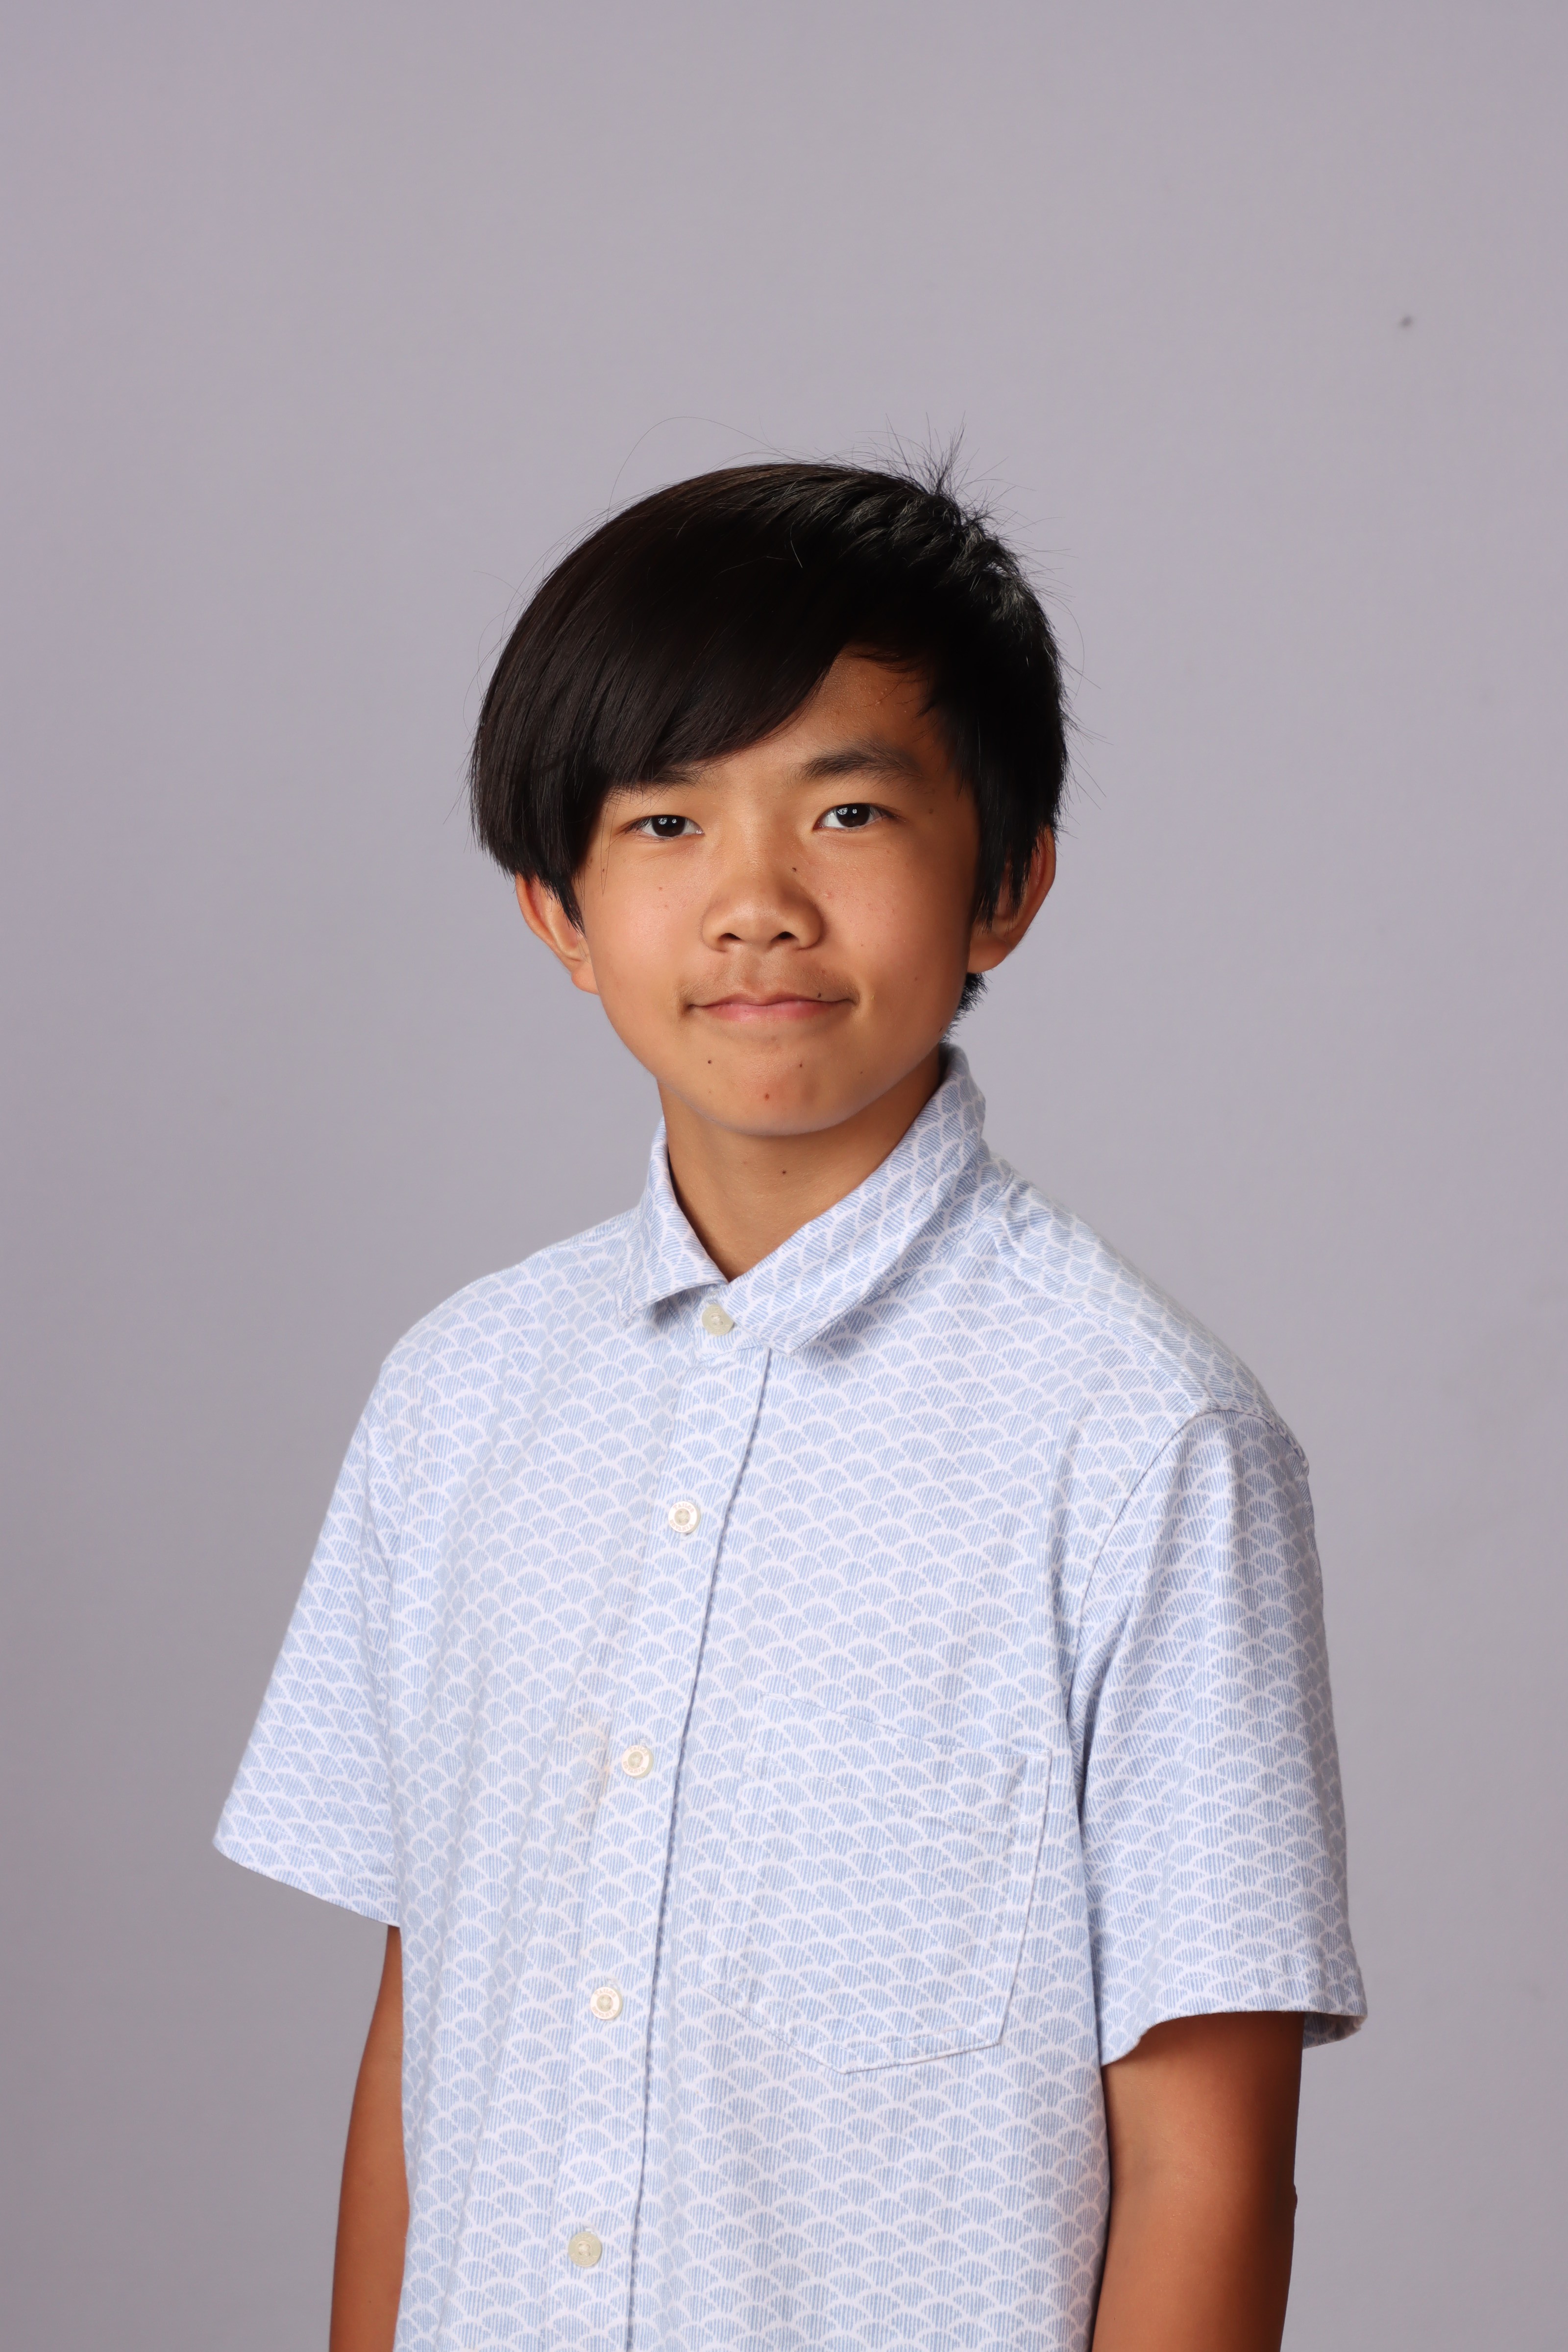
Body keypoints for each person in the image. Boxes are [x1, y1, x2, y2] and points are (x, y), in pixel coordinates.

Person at [216, 458, 1365, 2352]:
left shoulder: (1142, 1445)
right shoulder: (458, 1402)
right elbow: (432, 2030)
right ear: (559, 910)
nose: (755, 905)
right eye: (666, 822)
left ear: (1007, 883)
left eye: (847, 811)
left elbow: (1208, 2159)